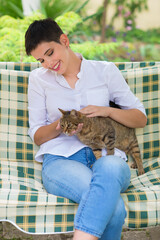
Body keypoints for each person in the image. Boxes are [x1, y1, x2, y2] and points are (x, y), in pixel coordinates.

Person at [25, 18, 147, 240]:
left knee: (110, 168)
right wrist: (62, 124)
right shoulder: (38, 80)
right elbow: (38, 136)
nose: (48, 64)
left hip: (108, 157)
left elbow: (140, 118)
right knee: (115, 209)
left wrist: (107, 110)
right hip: (61, 159)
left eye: (50, 53)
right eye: (41, 60)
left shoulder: (105, 71)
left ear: (65, 40)